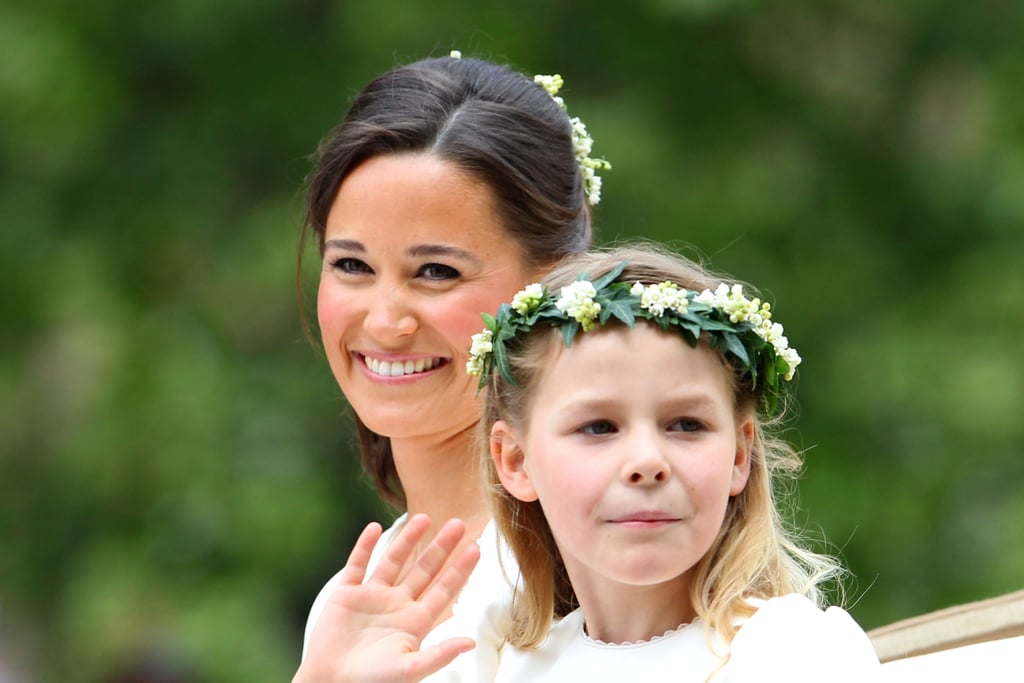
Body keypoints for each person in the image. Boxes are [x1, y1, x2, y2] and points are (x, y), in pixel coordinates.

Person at [313, 243, 881, 681]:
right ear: (515, 461)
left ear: (738, 454)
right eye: (598, 428)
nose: (646, 462)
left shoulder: (788, 652)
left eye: (687, 425)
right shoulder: (496, 659)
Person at [293, 50, 609, 682]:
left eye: (436, 272)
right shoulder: (353, 597)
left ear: (548, 286)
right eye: (351, 265)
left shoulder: (605, 573)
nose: (385, 322)